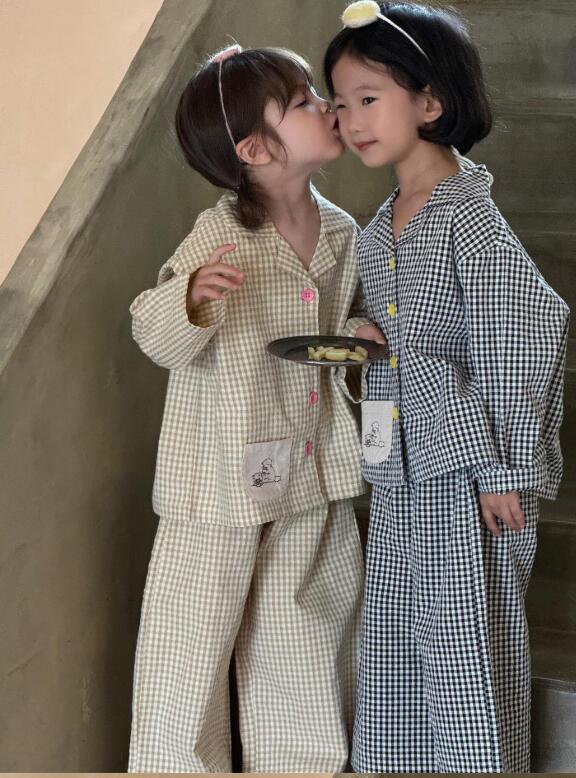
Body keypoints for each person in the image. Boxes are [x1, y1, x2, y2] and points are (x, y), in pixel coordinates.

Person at [324, 1, 570, 772]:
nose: (351, 120)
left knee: (467, 644)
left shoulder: (470, 218)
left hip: (469, 470)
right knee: (398, 637)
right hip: (403, 467)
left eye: (369, 98)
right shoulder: (379, 228)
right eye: (340, 104)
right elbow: (403, 341)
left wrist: (503, 468)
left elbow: (521, 336)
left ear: (430, 102)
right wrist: (369, 339)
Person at [127, 43, 384, 773]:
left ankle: (303, 764)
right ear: (255, 149)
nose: (327, 107)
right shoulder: (220, 234)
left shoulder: (343, 232)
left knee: (309, 639)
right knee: (189, 649)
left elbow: (338, 336)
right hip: (215, 486)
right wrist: (191, 299)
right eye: (304, 102)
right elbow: (153, 332)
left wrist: (359, 341)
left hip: (311, 472)